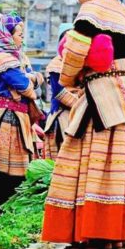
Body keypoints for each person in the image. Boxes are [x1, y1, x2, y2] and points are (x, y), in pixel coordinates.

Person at [41, 0, 125, 249]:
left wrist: (69, 78)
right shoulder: (124, 12)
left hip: (101, 97)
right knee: (120, 167)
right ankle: (113, 236)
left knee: (91, 163)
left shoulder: (91, 10)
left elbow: (76, 51)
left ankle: (95, 236)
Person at [0, 13, 38, 222]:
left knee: (13, 169)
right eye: (19, 34)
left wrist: (29, 80)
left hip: (15, 118)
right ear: (7, 35)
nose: (22, 39)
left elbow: (28, 79)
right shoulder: (2, 58)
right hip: (5, 119)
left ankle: (5, 212)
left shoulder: (16, 57)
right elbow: (26, 85)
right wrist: (30, 81)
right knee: (2, 169)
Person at [44, 23, 82, 160]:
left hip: (78, 114)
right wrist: (81, 105)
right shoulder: (56, 64)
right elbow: (58, 92)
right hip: (62, 115)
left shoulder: (81, 63)